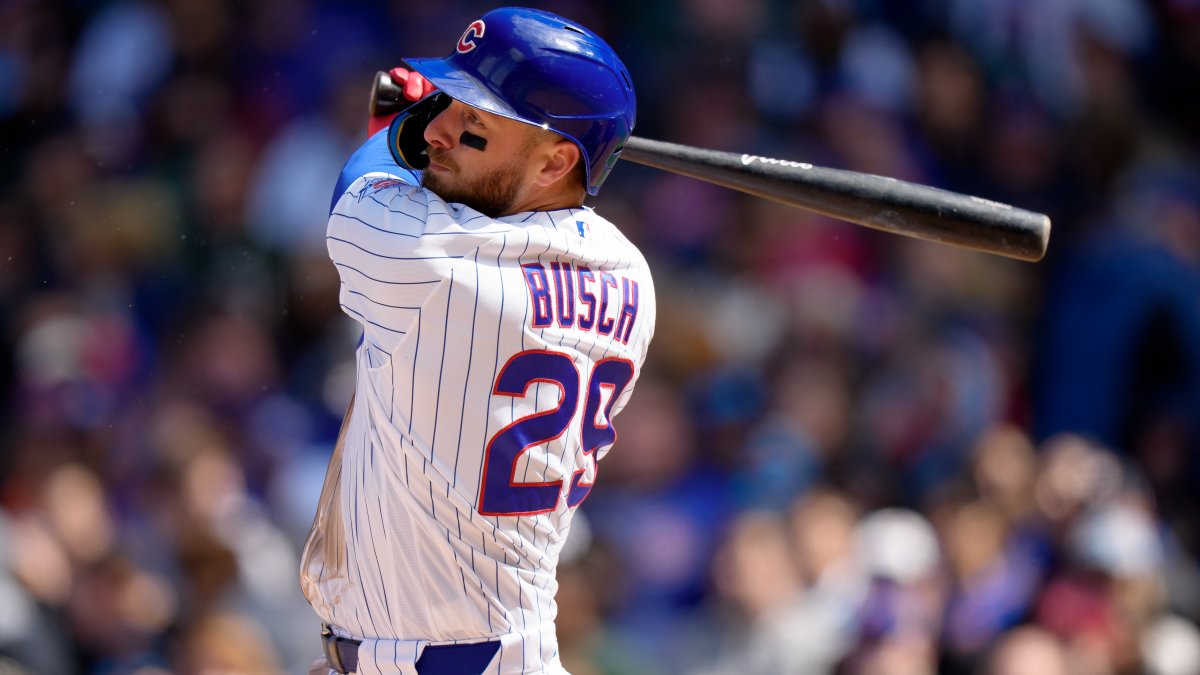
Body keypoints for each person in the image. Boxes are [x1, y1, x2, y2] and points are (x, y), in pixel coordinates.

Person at [299, 8, 655, 675]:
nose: (438, 128)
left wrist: (399, 118)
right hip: (479, 649)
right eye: (447, 106)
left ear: (555, 160)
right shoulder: (632, 275)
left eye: (473, 125)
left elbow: (364, 183)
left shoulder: (431, 263)